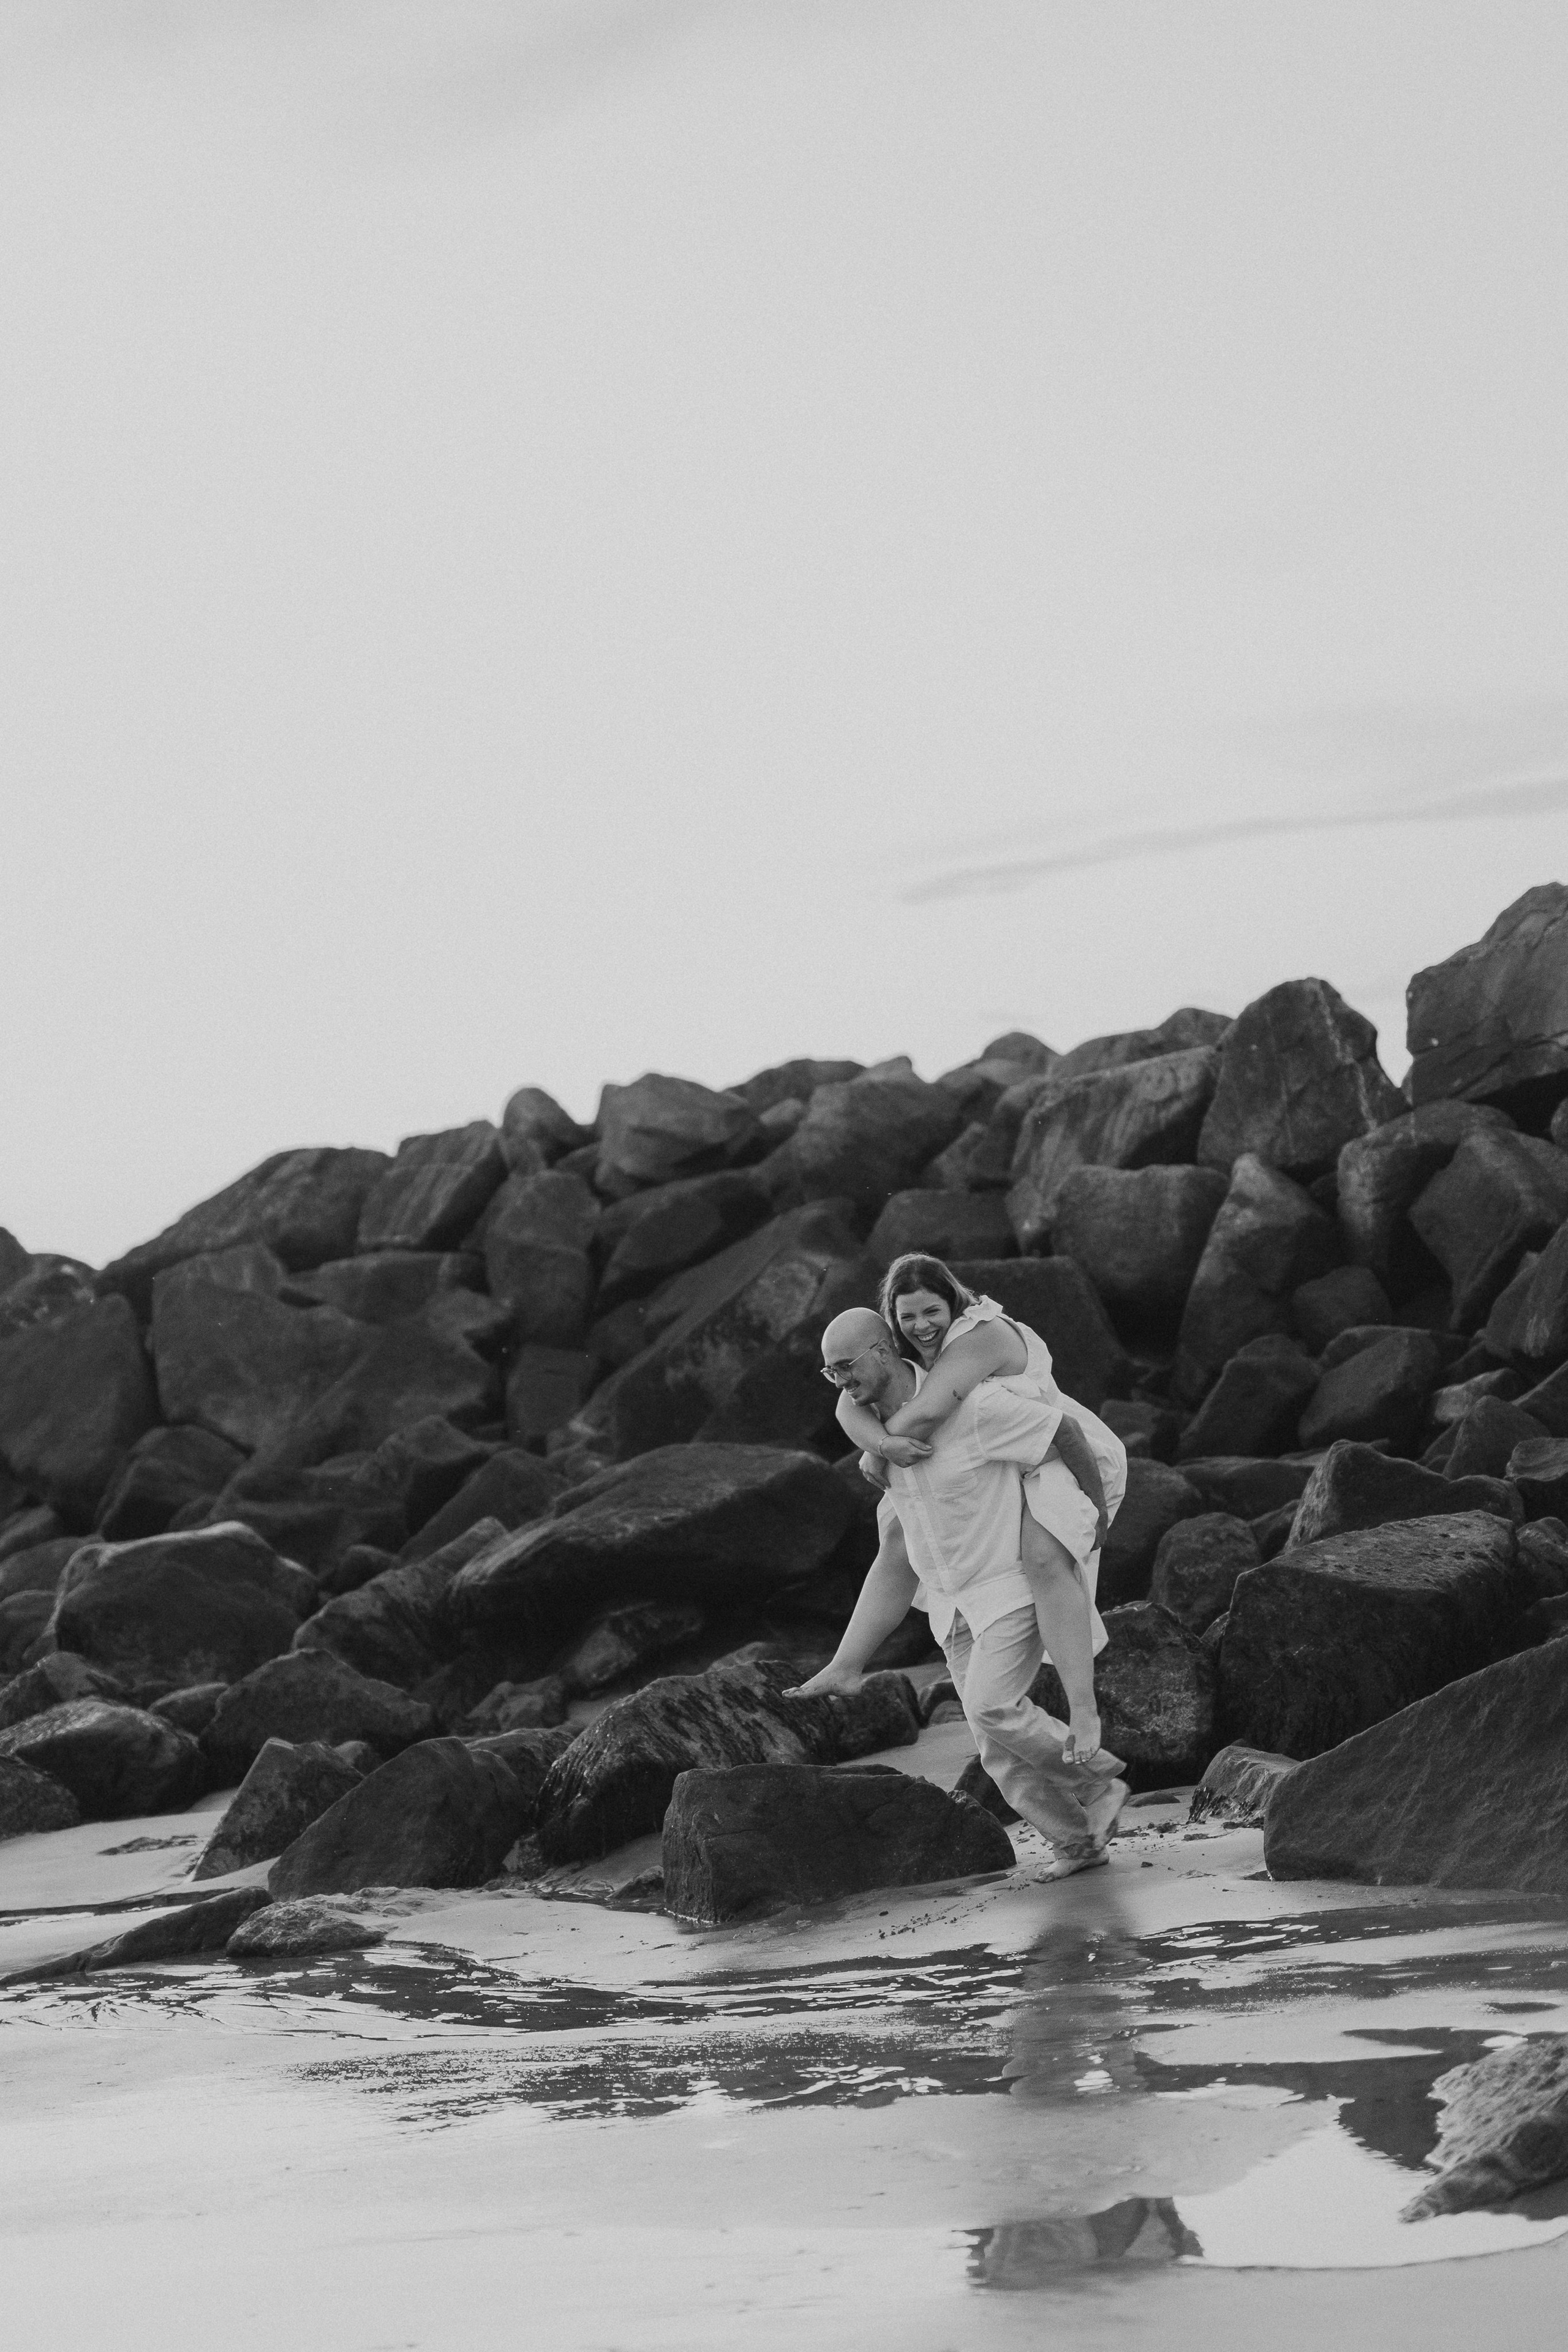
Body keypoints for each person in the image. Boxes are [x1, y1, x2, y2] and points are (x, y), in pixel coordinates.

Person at [791, 1305, 1129, 1877]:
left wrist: (1094, 1515)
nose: (841, 1382)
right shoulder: (882, 1449)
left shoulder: (971, 1407)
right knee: (999, 1753)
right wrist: (847, 1665)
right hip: (952, 1608)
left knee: (992, 1706)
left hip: (1007, 1588)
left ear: (882, 1350)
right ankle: (1078, 1844)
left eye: (845, 1366)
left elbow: (1062, 1431)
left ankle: (1097, 1783)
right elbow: (894, 1563)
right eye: (830, 1373)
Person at [831, 1253, 1126, 1765]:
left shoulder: (981, 1334)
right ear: (893, 1323)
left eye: (931, 1311)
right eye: (908, 1317)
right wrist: (877, 1445)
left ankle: (1084, 1712)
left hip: (1065, 1454)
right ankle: (848, 1661)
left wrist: (878, 1449)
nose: (922, 1326)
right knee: (897, 1533)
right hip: (1012, 1454)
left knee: (1041, 1559)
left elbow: (928, 1411)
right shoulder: (909, 1356)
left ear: (954, 1302)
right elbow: (845, 1404)